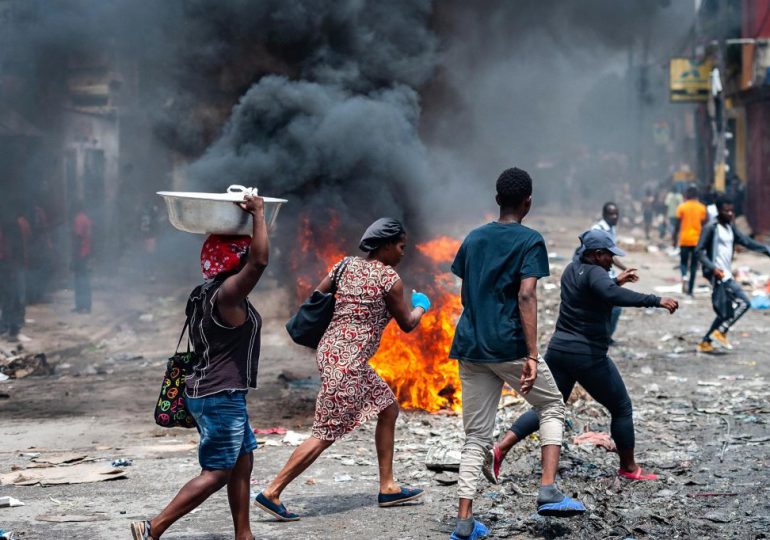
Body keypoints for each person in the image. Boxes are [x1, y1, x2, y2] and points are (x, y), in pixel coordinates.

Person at [255, 217, 430, 521]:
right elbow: (407, 324)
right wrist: (420, 306)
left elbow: (318, 296)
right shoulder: (390, 280)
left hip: (333, 353)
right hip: (348, 364)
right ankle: (272, 491)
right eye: (401, 246)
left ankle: (388, 487)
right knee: (324, 433)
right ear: (387, 244)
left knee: (388, 408)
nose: (403, 252)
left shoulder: (345, 265)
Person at [448, 168, 585, 540]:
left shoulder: (474, 238)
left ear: (497, 200)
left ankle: (464, 521)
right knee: (552, 405)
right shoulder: (530, 240)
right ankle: (548, 489)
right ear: (528, 202)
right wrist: (531, 353)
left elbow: (467, 290)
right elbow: (526, 295)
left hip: (470, 345)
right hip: (507, 344)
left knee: (475, 436)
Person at [489, 229, 679, 486]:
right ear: (597, 254)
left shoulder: (571, 269)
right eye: (609, 255)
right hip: (587, 355)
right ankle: (629, 467)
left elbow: (595, 295)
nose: (612, 260)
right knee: (621, 407)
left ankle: (500, 449)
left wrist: (617, 281)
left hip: (559, 352)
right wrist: (656, 300)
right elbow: (610, 295)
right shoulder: (596, 273)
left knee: (548, 407)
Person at [131, 195, 268, 540]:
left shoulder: (204, 292)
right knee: (217, 471)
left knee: (243, 460)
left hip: (215, 393)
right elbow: (261, 262)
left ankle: (244, 534)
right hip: (220, 396)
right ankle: (154, 527)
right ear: (235, 262)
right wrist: (259, 215)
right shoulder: (227, 296)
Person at [695, 196, 770, 352]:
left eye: (731, 210)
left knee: (726, 311)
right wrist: (713, 268)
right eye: (726, 210)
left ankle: (705, 342)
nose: (730, 213)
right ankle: (721, 332)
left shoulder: (730, 228)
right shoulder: (711, 228)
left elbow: (747, 242)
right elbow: (699, 252)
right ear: (718, 211)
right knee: (744, 303)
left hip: (727, 273)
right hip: (719, 276)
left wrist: (766, 250)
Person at [592, 202, 628, 343]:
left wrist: (624, 269)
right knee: (614, 307)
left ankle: (605, 337)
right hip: (601, 275)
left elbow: (611, 256)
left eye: (617, 214)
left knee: (610, 308)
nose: (615, 217)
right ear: (604, 215)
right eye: (612, 214)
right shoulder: (597, 230)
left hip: (609, 274)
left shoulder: (611, 229)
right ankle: (603, 338)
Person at [673, 185, 707, 296]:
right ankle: (691, 291)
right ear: (697, 195)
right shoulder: (702, 208)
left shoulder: (682, 207)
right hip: (697, 240)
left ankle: (684, 276)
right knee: (693, 265)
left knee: (683, 262)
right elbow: (705, 225)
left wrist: (674, 238)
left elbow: (677, 225)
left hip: (685, 239)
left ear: (686, 195)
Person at [72, 203, 93, 313]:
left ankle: (81, 306)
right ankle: (86, 305)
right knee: (85, 280)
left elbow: (78, 236)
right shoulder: (87, 219)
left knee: (80, 280)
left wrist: (75, 254)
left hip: (80, 253)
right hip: (86, 252)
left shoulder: (78, 219)